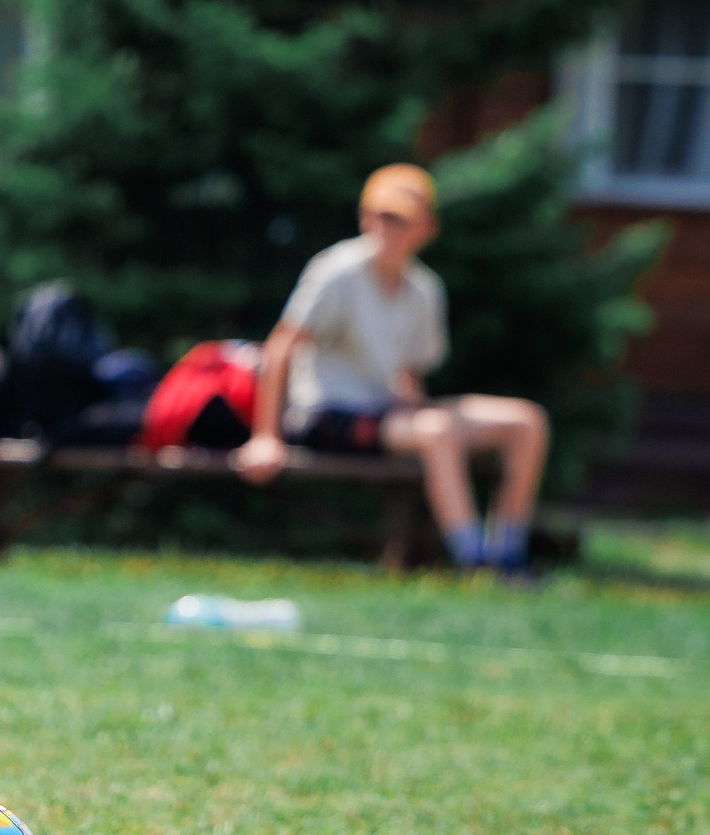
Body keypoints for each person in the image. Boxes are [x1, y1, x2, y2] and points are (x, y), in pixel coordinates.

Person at [234, 163, 549, 576]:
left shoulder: (424, 289)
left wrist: (415, 403)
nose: (388, 228)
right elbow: (278, 350)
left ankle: (508, 554)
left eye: (402, 219)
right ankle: (476, 563)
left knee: (526, 421)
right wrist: (265, 437)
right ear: (365, 217)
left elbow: (409, 373)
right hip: (328, 413)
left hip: (389, 410)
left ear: (426, 229)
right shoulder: (337, 271)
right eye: (381, 215)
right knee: (437, 430)